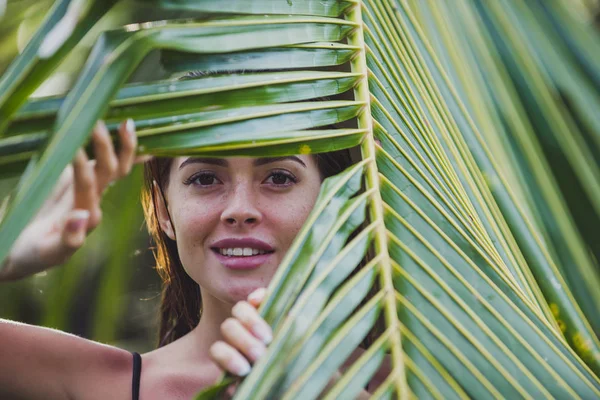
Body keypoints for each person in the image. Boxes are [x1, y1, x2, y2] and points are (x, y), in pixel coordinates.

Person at [0, 119, 383, 399]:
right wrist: (7, 254)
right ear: (163, 212)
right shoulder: (105, 385)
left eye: (279, 177)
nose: (240, 210)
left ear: (332, 202)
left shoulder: (417, 375)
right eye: (204, 179)